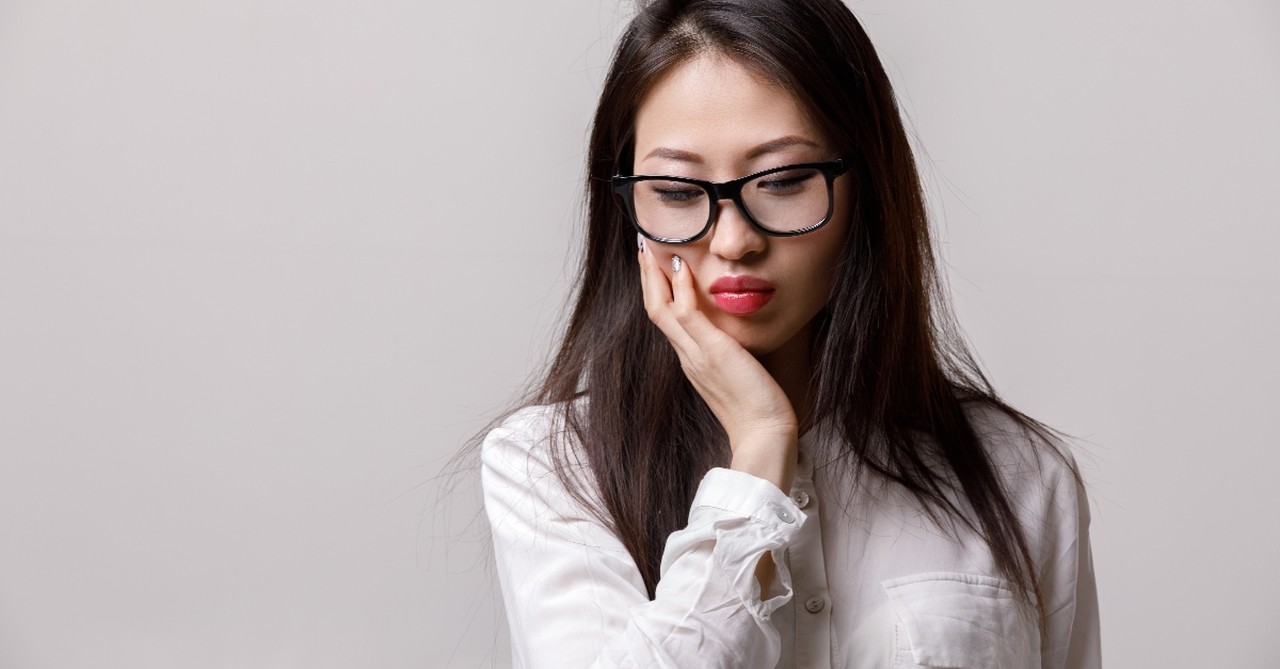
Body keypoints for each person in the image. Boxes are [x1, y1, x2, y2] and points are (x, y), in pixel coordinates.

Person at [480, 0, 1101, 667]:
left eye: (782, 181)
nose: (734, 240)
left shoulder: (1018, 474)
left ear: (864, 188)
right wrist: (758, 449)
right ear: (627, 206)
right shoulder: (553, 467)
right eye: (679, 191)